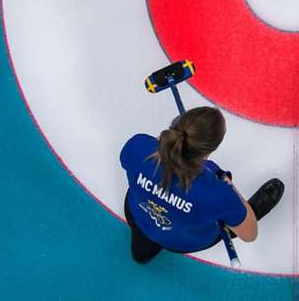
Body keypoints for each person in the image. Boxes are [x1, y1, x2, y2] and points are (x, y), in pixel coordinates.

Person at [120, 106, 284, 263]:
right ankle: (244, 212)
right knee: (237, 217)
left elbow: (157, 147)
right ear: (208, 152)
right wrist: (225, 181)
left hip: (140, 216)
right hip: (185, 239)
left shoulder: (137, 146)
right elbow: (249, 235)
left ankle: (142, 253)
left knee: (142, 249)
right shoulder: (217, 194)